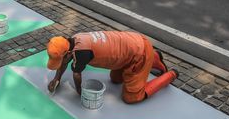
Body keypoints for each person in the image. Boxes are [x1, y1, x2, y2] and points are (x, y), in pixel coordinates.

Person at [46, 31, 178, 104]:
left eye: (60, 59)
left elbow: (76, 74)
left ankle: (170, 75)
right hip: (133, 42)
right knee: (115, 79)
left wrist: (81, 92)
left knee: (131, 98)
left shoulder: (81, 53)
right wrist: (56, 79)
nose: (61, 63)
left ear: (68, 53)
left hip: (139, 53)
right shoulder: (74, 39)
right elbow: (64, 63)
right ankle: (153, 57)